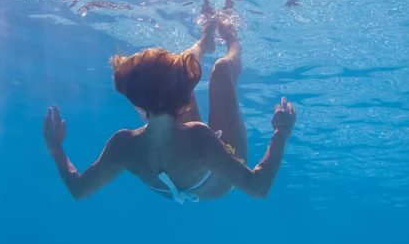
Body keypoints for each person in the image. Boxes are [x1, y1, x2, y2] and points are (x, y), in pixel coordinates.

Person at [43, 18, 296, 204]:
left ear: (137, 102)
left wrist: (55, 147)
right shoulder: (199, 138)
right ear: (185, 93)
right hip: (218, 184)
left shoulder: (123, 144)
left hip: (188, 163)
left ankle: (203, 43)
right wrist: (281, 132)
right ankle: (233, 43)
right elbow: (258, 186)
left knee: (185, 60)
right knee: (221, 70)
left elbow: (78, 189)